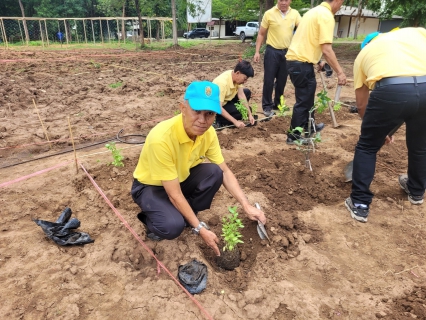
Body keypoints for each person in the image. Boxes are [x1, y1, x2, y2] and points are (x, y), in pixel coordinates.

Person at [131, 81, 267, 255]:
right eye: (196, 111)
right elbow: (174, 194)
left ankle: (188, 215)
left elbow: (224, 171)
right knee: (172, 226)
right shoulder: (162, 138)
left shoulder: (208, 133)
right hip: (150, 187)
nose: (202, 121)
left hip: (179, 180)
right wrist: (200, 229)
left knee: (214, 172)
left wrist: (246, 205)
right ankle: (153, 219)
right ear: (183, 108)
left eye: (209, 114)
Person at [345, 27, 426, 223]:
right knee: (420, 146)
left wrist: (377, 131)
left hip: (391, 90)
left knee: (366, 147)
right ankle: (416, 192)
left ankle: (360, 203)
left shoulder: (363, 54)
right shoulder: (415, 32)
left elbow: (362, 104)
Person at [285, 0, 347, 145]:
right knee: (303, 101)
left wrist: (318, 61)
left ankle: (309, 127)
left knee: (308, 97)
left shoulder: (313, 12)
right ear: (337, 1)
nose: (340, 7)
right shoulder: (326, 15)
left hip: (298, 62)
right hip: (301, 64)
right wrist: (340, 72)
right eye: (341, 3)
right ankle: (293, 136)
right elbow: (326, 49)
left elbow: (308, 40)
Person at [253, 0, 301, 117]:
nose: (283, 2)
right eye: (281, 0)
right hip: (272, 52)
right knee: (269, 80)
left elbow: (302, 31)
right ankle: (267, 106)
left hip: (287, 53)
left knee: (282, 81)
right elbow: (261, 33)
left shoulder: (295, 14)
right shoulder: (269, 13)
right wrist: (257, 52)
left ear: (290, 1)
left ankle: (277, 104)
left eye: (286, 0)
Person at [213, 60, 255, 128]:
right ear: (238, 73)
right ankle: (219, 119)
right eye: (244, 79)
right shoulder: (222, 83)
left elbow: (241, 95)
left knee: (247, 92)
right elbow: (218, 107)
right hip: (217, 107)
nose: (245, 81)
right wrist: (235, 121)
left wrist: (250, 114)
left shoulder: (235, 76)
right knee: (240, 113)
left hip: (227, 99)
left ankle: (231, 113)